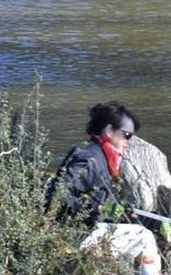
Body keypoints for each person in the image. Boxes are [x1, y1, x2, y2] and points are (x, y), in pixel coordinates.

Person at [49, 102, 162, 275]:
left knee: (136, 241)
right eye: (126, 135)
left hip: (83, 231)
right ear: (109, 131)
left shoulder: (100, 155)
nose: (129, 142)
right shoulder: (89, 159)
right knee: (144, 237)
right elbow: (58, 196)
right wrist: (98, 209)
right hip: (72, 236)